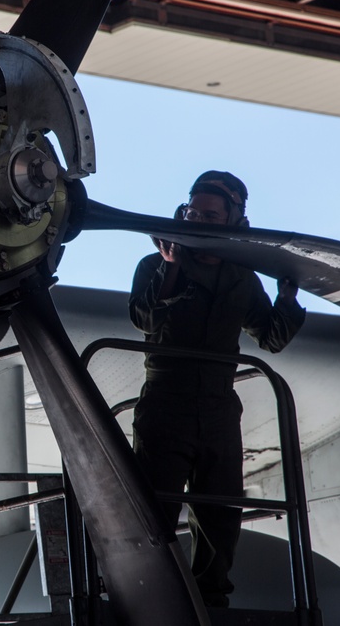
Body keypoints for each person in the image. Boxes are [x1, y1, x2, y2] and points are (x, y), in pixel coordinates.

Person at [127, 171, 305, 608]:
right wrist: (170, 268)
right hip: (166, 403)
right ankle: (150, 598)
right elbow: (143, 320)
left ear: (233, 222)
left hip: (220, 409)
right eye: (192, 212)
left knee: (221, 514)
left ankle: (211, 601)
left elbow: (271, 339)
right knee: (155, 512)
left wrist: (288, 295)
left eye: (210, 214)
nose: (199, 219)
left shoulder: (242, 277)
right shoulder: (156, 264)